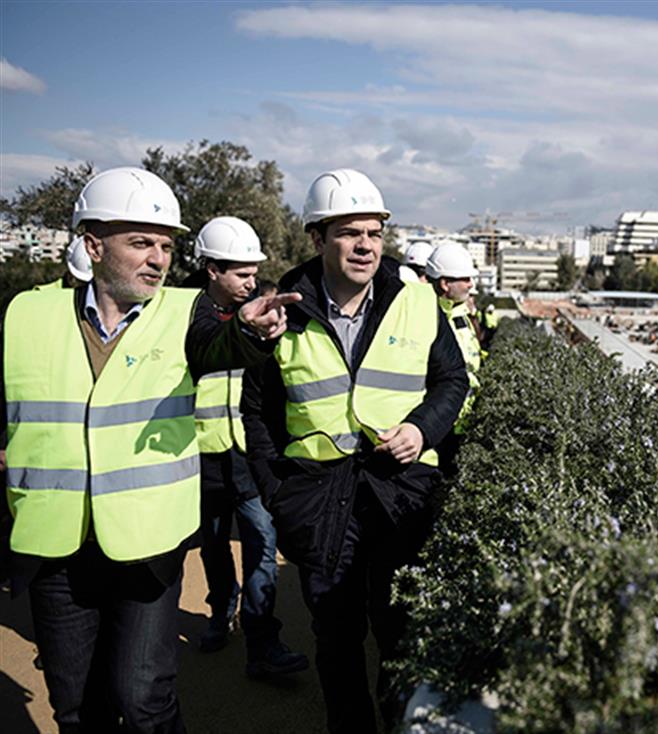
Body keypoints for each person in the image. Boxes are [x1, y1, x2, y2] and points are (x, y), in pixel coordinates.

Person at [1, 166, 299, 733]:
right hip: (53, 547)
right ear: (92, 245)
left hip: (146, 545)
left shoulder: (185, 312)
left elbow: (220, 341)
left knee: (143, 702)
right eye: (141, 242)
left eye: (165, 245)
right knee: (76, 709)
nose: (158, 258)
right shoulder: (25, 315)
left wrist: (253, 332)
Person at [241, 168, 467, 733]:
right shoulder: (282, 312)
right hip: (319, 501)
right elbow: (258, 413)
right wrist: (278, 493)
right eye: (348, 233)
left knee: (400, 630)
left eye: (374, 232)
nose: (365, 245)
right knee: (337, 637)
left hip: (400, 493)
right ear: (317, 239)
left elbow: (451, 382)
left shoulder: (415, 301)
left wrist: (421, 430)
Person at [184, 216, 307, 678]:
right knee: (213, 547)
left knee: (262, 543)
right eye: (241, 273)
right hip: (201, 459)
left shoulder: (263, 316)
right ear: (212, 270)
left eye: (255, 272)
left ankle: (263, 641)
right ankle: (220, 614)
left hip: (248, 459)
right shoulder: (181, 316)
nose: (252, 282)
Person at [424, 242, 482, 475]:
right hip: (440, 425)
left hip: (463, 422)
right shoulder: (427, 315)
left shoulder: (461, 313)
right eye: (464, 279)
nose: (471, 284)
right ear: (445, 283)